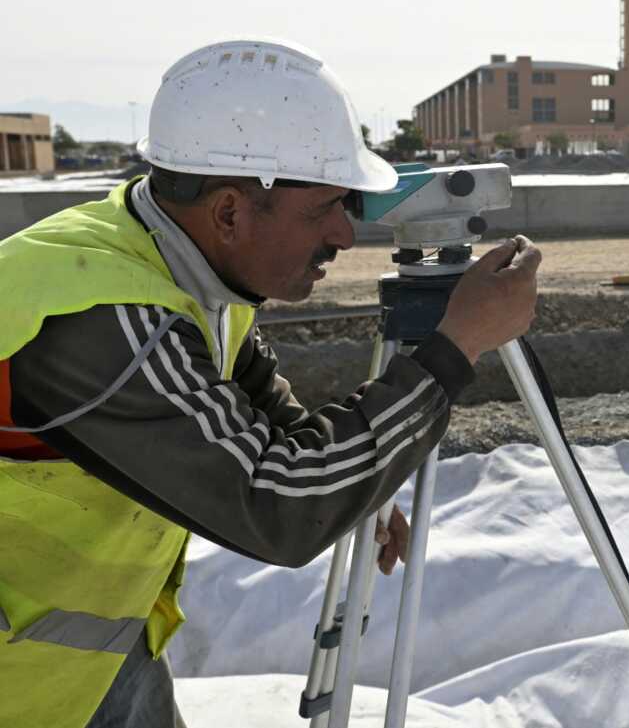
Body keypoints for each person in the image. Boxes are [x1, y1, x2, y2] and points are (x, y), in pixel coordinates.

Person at [0, 38, 540, 728]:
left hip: (88, 652)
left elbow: (260, 408)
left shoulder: (175, 259)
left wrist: (356, 486)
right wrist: (457, 343)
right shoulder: (104, 320)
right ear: (229, 212)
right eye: (327, 208)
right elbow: (277, 505)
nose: (346, 234)